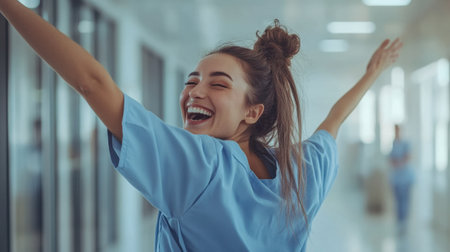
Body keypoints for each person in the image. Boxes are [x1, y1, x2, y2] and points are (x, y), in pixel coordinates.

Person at [0, 1, 402, 251]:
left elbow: (91, 82)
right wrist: (372, 74)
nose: (194, 90)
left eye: (218, 83)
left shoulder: (204, 166)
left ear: (252, 112)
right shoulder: (302, 172)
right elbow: (333, 122)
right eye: (191, 79)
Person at [389, 124, 414, 235]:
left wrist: (399, 163)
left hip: (405, 177)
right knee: (398, 201)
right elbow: (391, 159)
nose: (396, 132)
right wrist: (396, 163)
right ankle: (399, 223)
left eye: (397, 130)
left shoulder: (406, 143)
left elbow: (407, 157)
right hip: (396, 178)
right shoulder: (394, 143)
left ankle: (404, 223)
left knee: (404, 201)